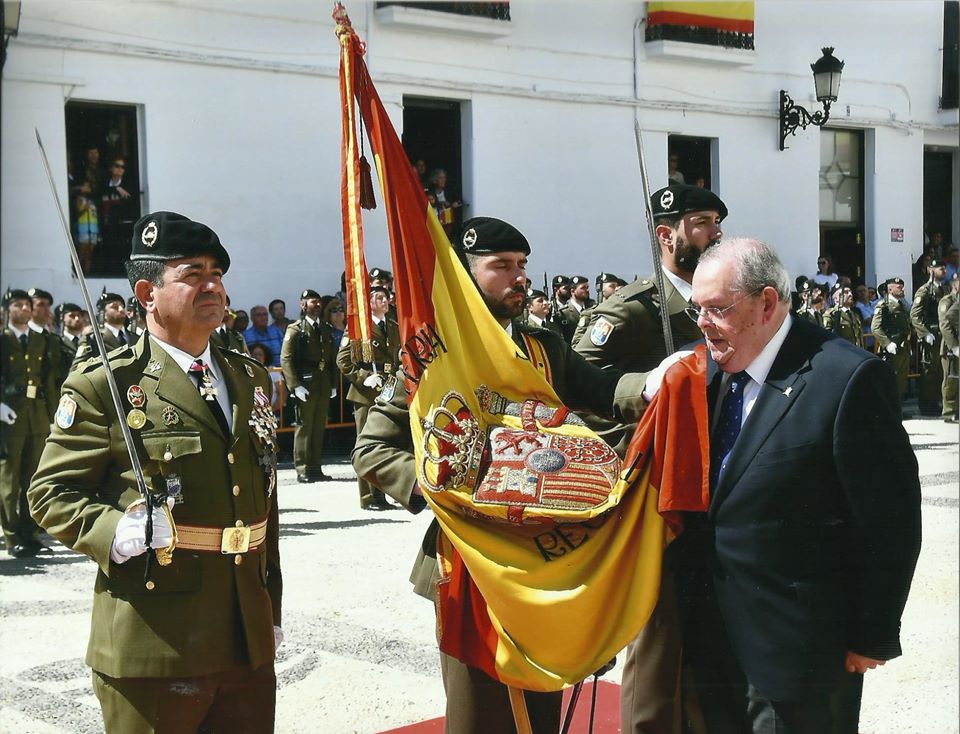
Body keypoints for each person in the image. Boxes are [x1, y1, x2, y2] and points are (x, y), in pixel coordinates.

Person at [352, 216, 648, 734]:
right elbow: (373, 448)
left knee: (543, 702)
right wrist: (445, 487)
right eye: (502, 267)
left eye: (522, 266)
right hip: (470, 560)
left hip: (544, 553)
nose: (519, 278)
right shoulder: (432, 354)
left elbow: (603, 391)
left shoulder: (542, 345)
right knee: (480, 715)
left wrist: (658, 384)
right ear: (467, 276)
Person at [28, 210, 283, 733]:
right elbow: (50, 492)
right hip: (156, 641)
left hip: (244, 637)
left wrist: (269, 608)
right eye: (193, 274)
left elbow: (264, 499)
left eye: (217, 273)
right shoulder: (108, 386)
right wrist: (113, 532)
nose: (212, 285)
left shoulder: (249, 377)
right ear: (147, 292)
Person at [671, 237, 921, 733]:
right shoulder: (701, 372)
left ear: (766, 303)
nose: (702, 324)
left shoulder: (845, 378)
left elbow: (889, 522)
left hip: (802, 656)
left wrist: (872, 633)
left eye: (716, 309)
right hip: (710, 643)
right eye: (697, 309)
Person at [573, 183, 727, 734]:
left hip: (717, 490)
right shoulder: (633, 310)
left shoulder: (724, 302)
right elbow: (576, 385)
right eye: (703, 222)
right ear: (667, 235)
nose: (715, 233)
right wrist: (644, 387)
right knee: (658, 638)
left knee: (710, 637)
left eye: (716, 221)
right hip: (653, 495)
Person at [1, 289, 58, 558]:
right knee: (9, 480)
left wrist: (52, 414)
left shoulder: (39, 339)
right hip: (9, 415)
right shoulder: (3, 339)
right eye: (18, 304)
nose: (24, 308)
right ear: (7, 309)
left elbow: (47, 379)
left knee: (32, 477)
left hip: (36, 415)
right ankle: (12, 537)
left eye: (27, 304)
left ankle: (30, 533)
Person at [336, 286, 401, 510]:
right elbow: (343, 360)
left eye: (387, 297)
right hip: (366, 394)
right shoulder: (358, 327)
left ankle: (381, 493)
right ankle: (367, 497)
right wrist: (363, 377)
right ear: (369, 302)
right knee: (365, 444)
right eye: (380, 297)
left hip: (388, 391)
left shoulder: (392, 325)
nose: (386, 301)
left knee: (385, 443)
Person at [280, 289, 337, 483]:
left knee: (318, 427)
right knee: (304, 427)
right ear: (303, 305)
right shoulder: (296, 329)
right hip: (305, 382)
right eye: (313, 302)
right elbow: (286, 359)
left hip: (322, 383)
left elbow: (331, 358)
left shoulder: (325, 328)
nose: (317, 305)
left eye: (319, 302)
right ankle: (302, 468)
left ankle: (315, 468)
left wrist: (332, 383)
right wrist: (295, 385)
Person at [910, 258, 948, 416]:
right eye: (940, 268)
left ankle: (937, 402)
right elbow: (915, 315)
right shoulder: (925, 290)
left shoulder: (944, 290)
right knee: (929, 371)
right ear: (931, 270)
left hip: (943, 335)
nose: (944, 271)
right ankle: (926, 405)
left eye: (945, 268)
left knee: (941, 370)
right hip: (931, 334)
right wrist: (924, 333)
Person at [871, 277, 913, 407]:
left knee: (901, 380)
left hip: (903, 346)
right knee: (892, 380)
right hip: (892, 349)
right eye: (899, 287)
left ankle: (897, 408)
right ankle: (890, 409)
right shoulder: (884, 305)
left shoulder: (901, 304)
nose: (902, 289)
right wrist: (887, 343)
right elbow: (875, 327)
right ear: (890, 289)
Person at [72, 291, 134, 371]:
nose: (121, 309)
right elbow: (76, 368)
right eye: (115, 307)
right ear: (103, 312)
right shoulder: (93, 338)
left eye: (122, 306)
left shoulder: (135, 337)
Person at [938, 272, 960, 423]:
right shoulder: (947, 301)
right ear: (955, 285)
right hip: (949, 347)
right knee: (950, 379)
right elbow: (944, 325)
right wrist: (954, 346)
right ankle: (949, 411)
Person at [824, 284, 864, 348]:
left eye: (850, 292)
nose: (850, 294)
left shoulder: (855, 315)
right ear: (836, 299)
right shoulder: (831, 314)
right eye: (846, 292)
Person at [853, 284, 876, 350]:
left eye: (864, 290)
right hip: (866, 342)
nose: (862, 293)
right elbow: (869, 321)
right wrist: (877, 316)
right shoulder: (858, 307)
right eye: (860, 291)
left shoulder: (873, 304)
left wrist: (874, 317)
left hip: (876, 341)